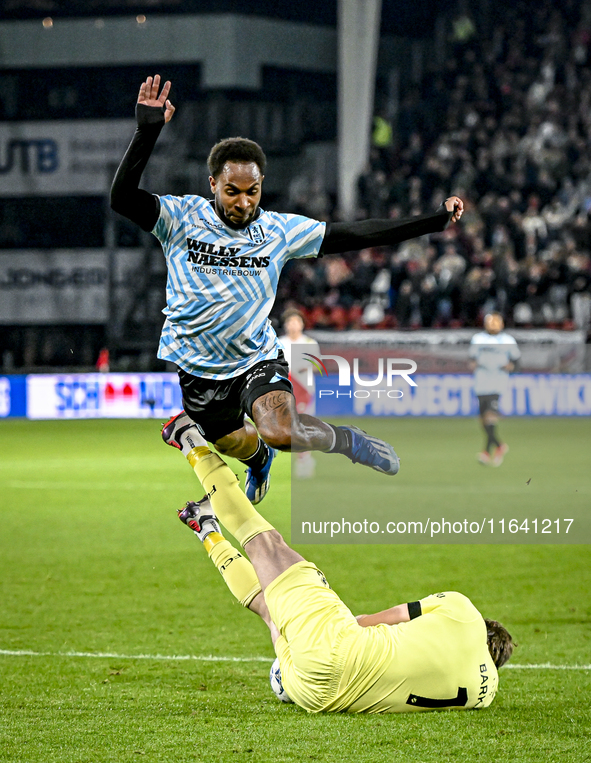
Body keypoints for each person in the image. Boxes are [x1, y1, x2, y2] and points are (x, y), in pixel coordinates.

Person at [111, 74, 464, 503]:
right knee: (234, 445)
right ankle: (258, 461)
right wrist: (146, 134)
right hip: (198, 369)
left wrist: (434, 220)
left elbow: (356, 235)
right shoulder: (180, 218)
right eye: (232, 192)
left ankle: (347, 441)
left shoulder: (279, 229)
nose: (244, 202)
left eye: (253, 192)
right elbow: (123, 198)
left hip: (256, 358)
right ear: (212, 186)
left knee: (280, 431)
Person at [164, 414, 514, 714]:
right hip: (313, 695)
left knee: (264, 541)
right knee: (274, 610)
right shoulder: (485, 694)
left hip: (334, 650)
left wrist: (338, 615)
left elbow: (375, 620)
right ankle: (205, 527)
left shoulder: (465, 614)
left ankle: (186, 436)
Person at [468, 313, 521, 466]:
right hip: (481, 381)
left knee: (490, 415)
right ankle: (496, 447)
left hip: (497, 381)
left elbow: (517, 361)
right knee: (483, 419)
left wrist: (512, 367)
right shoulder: (478, 339)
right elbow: (472, 358)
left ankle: (491, 449)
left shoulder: (508, 341)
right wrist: (473, 363)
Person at [277, 309, 320, 479]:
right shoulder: (280, 343)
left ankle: (304, 460)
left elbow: (317, 366)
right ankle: (302, 458)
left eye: (296, 321)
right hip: (285, 390)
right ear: (286, 325)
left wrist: (306, 367)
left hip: (304, 390)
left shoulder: (310, 343)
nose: (293, 325)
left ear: (302, 324)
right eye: (290, 321)